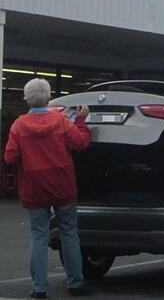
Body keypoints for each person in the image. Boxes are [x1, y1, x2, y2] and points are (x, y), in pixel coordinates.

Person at [3, 78, 92, 298]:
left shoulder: (19, 125)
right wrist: (81, 120)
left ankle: (39, 288)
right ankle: (76, 283)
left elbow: (10, 157)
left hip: (33, 188)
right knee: (69, 233)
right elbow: (80, 142)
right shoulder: (61, 121)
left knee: (38, 237)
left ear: (26, 99)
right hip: (62, 185)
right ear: (49, 97)